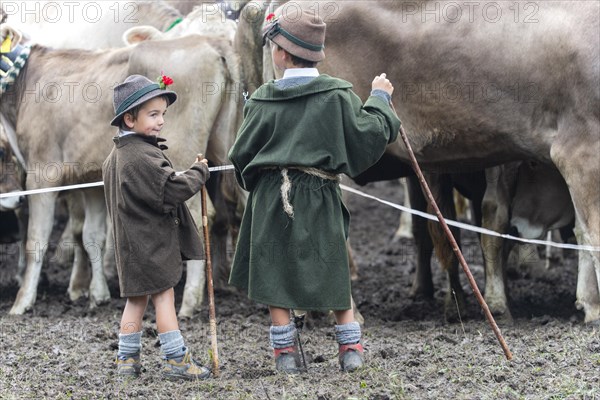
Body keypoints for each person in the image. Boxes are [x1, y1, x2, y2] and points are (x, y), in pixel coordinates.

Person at [228, 5, 401, 373]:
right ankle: (350, 349)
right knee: (333, 264)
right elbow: (368, 137)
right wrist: (380, 100)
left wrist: (255, 184)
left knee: (273, 271)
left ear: (279, 52)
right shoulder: (337, 96)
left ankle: (285, 355)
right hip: (321, 196)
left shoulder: (261, 100)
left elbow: (240, 154)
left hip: (271, 199)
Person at [102, 74, 211, 380]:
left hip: (128, 244)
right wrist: (199, 173)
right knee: (164, 297)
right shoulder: (143, 156)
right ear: (129, 118)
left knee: (135, 300)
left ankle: (127, 359)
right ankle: (177, 360)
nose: (161, 121)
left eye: (162, 113)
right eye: (153, 114)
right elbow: (171, 190)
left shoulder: (116, 156)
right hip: (152, 242)